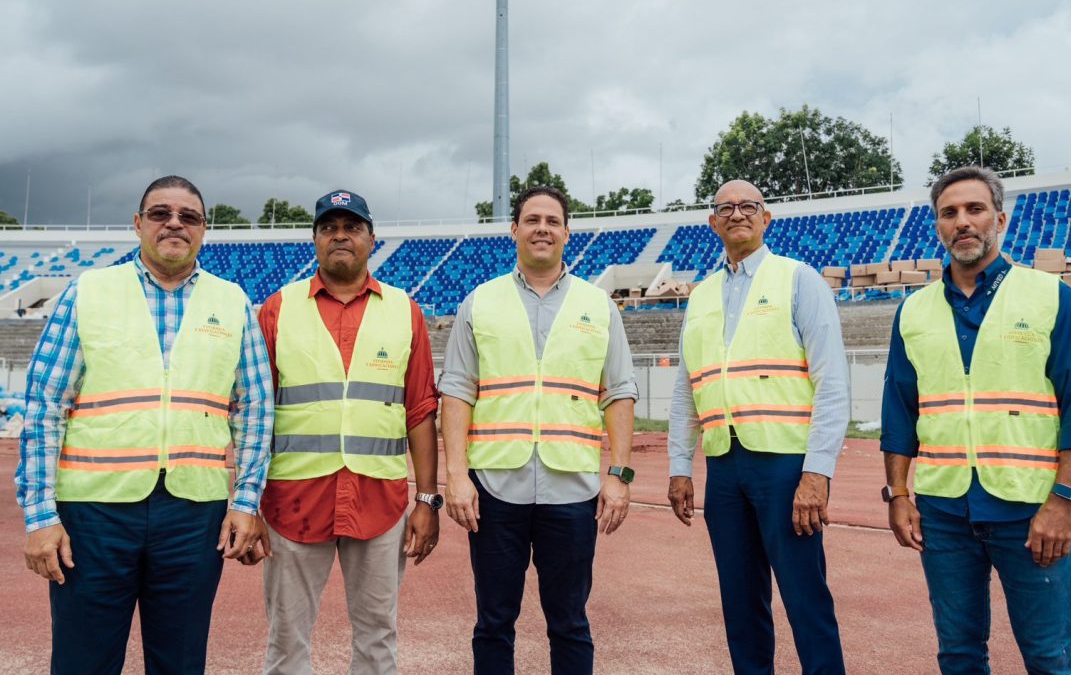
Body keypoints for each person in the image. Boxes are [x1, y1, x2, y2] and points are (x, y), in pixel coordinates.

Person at [16, 175, 274, 674]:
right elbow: (45, 405)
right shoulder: (87, 292)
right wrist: (40, 517)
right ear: (138, 224)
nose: (174, 223)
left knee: (179, 661)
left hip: (193, 514)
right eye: (160, 213)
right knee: (82, 661)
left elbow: (256, 408)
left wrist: (245, 503)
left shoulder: (232, 301)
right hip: (93, 513)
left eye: (189, 217)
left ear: (204, 230)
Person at [880, 166, 1071, 674]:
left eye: (974, 209)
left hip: (1030, 511)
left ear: (999, 219)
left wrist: (1063, 502)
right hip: (942, 513)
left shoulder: (1051, 298)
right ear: (937, 225)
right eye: (949, 213)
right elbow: (899, 410)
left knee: (1050, 656)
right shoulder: (912, 311)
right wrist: (898, 494)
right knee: (958, 655)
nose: (962, 221)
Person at [439, 185, 637, 674]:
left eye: (552, 220)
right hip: (495, 489)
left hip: (571, 489)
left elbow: (619, 392)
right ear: (514, 230)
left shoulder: (598, 305)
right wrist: (457, 475)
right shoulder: (480, 302)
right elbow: (458, 390)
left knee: (570, 622)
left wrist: (620, 474)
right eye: (532, 220)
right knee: (493, 623)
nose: (542, 228)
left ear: (567, 233)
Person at [246, 190, 440, 674]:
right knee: (287, 638)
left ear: (371, 240)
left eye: (351, 227)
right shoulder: (278, 309)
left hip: (379, 499)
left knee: (378, 636)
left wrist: (428, 501)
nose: (340, 236)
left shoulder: (404, 310)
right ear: (314, 239)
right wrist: (245, 503)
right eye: (328, 227)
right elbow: (254, 409)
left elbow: (419, 410)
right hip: (293, 500)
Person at [667, 179, 848, 674]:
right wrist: (680, 466)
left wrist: (818, 473)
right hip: (724, 468)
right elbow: (687, 388)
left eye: (749, 206)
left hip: (786, 469)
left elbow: (832, 382)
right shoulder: (700, 296)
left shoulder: (798, 279)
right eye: (725, 207)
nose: (737, 214)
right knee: (740, 602)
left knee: (805, 598)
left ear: (766, 218)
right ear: (713, 223)